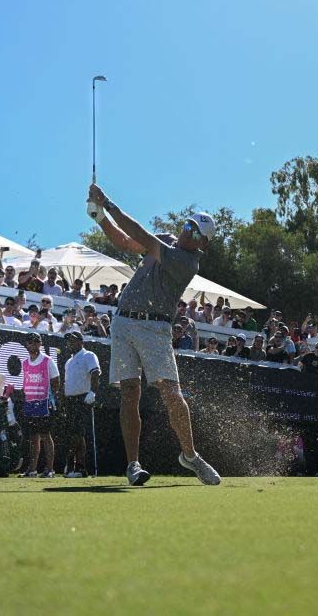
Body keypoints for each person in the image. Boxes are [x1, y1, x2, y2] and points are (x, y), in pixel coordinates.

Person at [87, 183, 221, 486]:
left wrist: (106, 202)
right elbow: (125, 241)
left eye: (196, 232)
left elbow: (141, 235)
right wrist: (100, 218)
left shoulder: (187, 261)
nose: (189, 232)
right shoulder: (167, 241)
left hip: (155, 328)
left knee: (171, 393)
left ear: (203, 244)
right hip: (123, 323)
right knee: (130, 392)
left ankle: (190, 456)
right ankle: (133, 465)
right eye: (189, 225)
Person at [19, 333, 61, 478]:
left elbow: (56, 381)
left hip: (44, 404)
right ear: (27, 345)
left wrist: (51, 398)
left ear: (40, 344)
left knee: (45, 435)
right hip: (30, 403)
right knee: (32, 437)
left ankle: (49, 469)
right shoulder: (25, 363)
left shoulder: (47, 361)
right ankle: (32, 469)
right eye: (30, 342)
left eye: (36, 342)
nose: (33, 344)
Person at [61, 331, 100, 478]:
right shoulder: (68, 362)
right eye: (68, 341)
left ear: (80, 342)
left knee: (77, 434)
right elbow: (67, 383)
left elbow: (95, 374)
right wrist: (63, 402)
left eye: (73, 340)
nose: (70, 343)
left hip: (83, 398)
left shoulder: (88, 355)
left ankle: (75, 466)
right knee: (75, 434)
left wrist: (93, 392)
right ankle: (79, 468)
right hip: (70, 400)